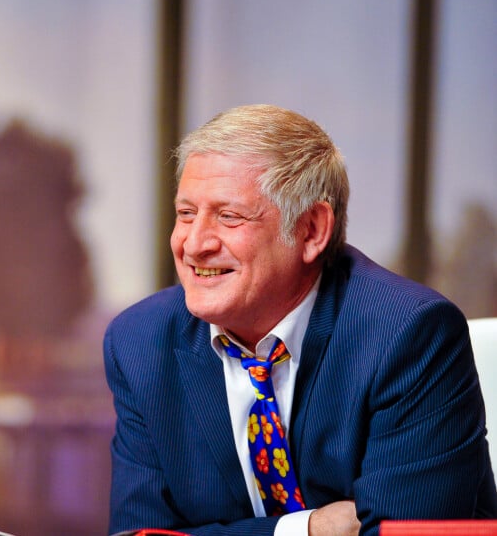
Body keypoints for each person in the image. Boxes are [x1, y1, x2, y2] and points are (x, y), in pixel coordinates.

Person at [104, 104, 497, 535]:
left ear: (311, 230)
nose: (194, 244)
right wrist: (308, 529)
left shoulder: (408, 335)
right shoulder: (140, 343)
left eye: (229, 216)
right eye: (185, 214)